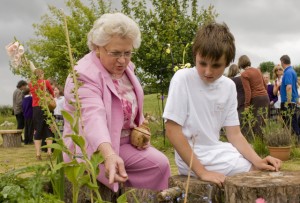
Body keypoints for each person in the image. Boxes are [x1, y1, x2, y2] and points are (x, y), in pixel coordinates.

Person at [163, 22, 281, 188]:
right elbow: (172, 130)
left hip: (216, 150)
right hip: (192, 155)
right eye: (202, 63)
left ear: (227, 63)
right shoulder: (182, 79)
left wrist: (259, 160)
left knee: (258, 166)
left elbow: (234, 134)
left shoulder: (228, 86)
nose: (208, 71)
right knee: (257, 175)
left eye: (216, 65)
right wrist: (202, 172)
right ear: (195, 55)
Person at [63, 12, 170, 192]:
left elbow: (129, 104)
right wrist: (109, 154)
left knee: (159, 164)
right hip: (94, 147)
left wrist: (140, 127)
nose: (122, 60)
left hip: (125, 143)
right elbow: (92, 118)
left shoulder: (127, 68)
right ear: (97, 47)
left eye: (127, 53)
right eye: (115, 53)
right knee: (158, 165)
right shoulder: (82, 75)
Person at [239, 55, 269, 138]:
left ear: (240, 64)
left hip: (256, 99)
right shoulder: (258, 71)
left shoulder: (244, 74)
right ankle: (267, 141)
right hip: (265, 97)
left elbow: (247, 91)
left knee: (256, 122)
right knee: (264, 120)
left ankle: (259, 144)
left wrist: (246, 105)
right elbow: (265, 85)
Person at [29, 68, 55, 160]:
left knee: (37, 130)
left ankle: (38, 154)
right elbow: (52, 92)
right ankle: (49, 152)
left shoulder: (31, 84)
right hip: (46, 107)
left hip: (36, 108)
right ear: (42, 74)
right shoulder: (45, 82)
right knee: (48, 130)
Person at [279, 55, 300, 142]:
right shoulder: (293, 71)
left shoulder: (287, 72)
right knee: (292, 122)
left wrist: (288, 101)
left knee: (290, 123)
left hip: (288, 102)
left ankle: (297, 140)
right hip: (293, 100)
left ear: (283, 62)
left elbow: (289, 87)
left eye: (281, 62)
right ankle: (293, 141)